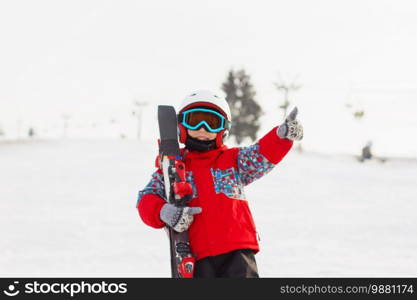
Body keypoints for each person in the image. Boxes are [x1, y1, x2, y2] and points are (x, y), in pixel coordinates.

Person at [137, 90, 303, 278]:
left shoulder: (234, 160)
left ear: (223, 129)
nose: (202, 129)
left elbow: (260, 155)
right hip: (196, 255)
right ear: (181, 125)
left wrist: (281, 137)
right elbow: (145, 199)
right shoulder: (172, 169)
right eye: (195, 121)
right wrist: (163, 211)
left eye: (212, 123)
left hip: (238, 250)